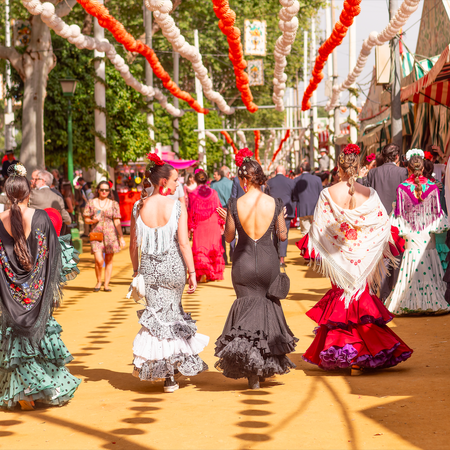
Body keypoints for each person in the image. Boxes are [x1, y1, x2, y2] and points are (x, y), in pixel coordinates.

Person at [297, 144, 413, 374]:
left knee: (342, 303)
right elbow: (382, 224)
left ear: (339, 169)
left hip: (339, 257)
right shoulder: (370, 194)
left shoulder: (327, 194)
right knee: (362, 302)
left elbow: (319, 229)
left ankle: (345, 353)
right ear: (359, 169)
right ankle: (362, 355)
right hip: (363, 256)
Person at [0, 163, 80, 410]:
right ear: (28, 193)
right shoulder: (41, 216)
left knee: (14, 340)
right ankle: (41, 387)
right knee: (41, 336)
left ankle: (23, 391)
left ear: (6, 194)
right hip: (38, 290)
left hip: (10, 293)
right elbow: (54, 256)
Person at [216, 149, 297, 389]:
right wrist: (280, 217)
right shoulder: (274, 203)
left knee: (245, 313)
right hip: (268, 260)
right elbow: (282, 236)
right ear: (260, 178)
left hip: (243, 262)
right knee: (267, 309)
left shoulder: (234, 203)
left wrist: (226, 219)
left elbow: (229, 236)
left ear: (243, 180)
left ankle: (252, 373)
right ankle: (264, 367)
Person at [130, 153, 208, 393]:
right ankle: (172, 372)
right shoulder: (176, 205)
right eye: (175, 180)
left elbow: (134, 244)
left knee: (157, 320)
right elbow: (184, 243)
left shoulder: (138, 206)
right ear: (163, 181)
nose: (177, 184)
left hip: (150, 269)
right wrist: (192, 271)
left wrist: (136, 271)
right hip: (173, 267)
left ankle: (166, 374)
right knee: (173, 315)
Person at [385, 150, 450, 316]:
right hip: (428, 232)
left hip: (411, 233)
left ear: (408, 168)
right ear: (423, 169)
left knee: (411, 264)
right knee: (430, 263)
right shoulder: (433, 187)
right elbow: (437, 214)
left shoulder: (402, 188)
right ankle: (433, 302)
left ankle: (408, 303)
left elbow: (398, 216)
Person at [357, 144, 408, 301]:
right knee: (396, 256)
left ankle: (376, 291)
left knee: (378, 258)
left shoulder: (372, 173)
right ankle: (390, 293)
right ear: (397, 157)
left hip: (377, 221)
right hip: (398, 221)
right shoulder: (403, 172)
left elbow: (364, 192)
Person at [83, 180, 125, 292]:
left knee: (109, 259)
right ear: (98, 190)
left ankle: (106, 284)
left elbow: (117, 221)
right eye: (102, 189)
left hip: (110, 235)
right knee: (99, 260)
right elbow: (86, 219)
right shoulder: (91, 203)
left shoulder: (114, 204)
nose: (104, 192)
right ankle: (98, 281)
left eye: (106, 190)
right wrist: (92, 220)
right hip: (96, 234)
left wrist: (121, 237)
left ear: (109, 191)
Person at [187, 170, 225, 282]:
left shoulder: (193, 194)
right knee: (213, 246)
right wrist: (221, 224)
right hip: (213, 222)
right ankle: (213, 273)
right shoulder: (214, 193)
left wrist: (189, 226)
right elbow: (219, 208)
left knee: (200, 247)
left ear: (195, 180)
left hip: (200, 223)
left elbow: (190, 211)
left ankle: (203, 273)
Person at [267, 165, 295, 267]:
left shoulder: (269, 182)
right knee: (284, 234)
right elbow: (294, 197)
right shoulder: (291, 181)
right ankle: (282, 259)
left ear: (275, 171)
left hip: (272, 210)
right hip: (286, 211)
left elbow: (266, 196)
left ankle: (276, 257)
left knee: (274, 234)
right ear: (284, 172)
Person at [293, 161, 323, 236]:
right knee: (316, 231)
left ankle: (307, 247)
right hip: (315, 208)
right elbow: (321, 194)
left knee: (305, 232)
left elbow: (294, 196)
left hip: (302, 209)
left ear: (301, 169)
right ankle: (314, 247)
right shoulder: (317, 179)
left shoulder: (296, 180)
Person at [211, 167, 233, 265]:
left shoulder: (214, 185)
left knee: (222, 236)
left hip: (218, 211)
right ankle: (233, 254)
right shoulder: (232, 184)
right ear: (228, 173)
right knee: (233, 232)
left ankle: (224, 257)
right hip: (230, 210)